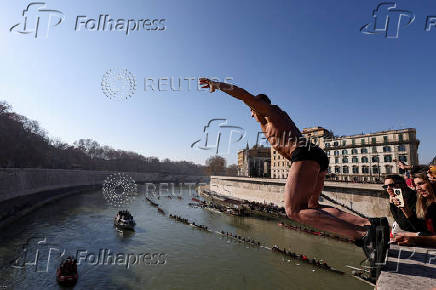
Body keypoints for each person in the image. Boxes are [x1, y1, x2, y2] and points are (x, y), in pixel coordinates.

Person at [199, 78, 390, 261]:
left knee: (294, 211)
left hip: (304, 154)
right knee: (313, 206)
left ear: (257, 105)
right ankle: (371, 224)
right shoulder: (268, 121)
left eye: (251, 110)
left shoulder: (269, 112)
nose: (250, 113)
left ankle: (363, 235)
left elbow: (243, 95)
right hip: (314, 155)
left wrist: (218, 85)